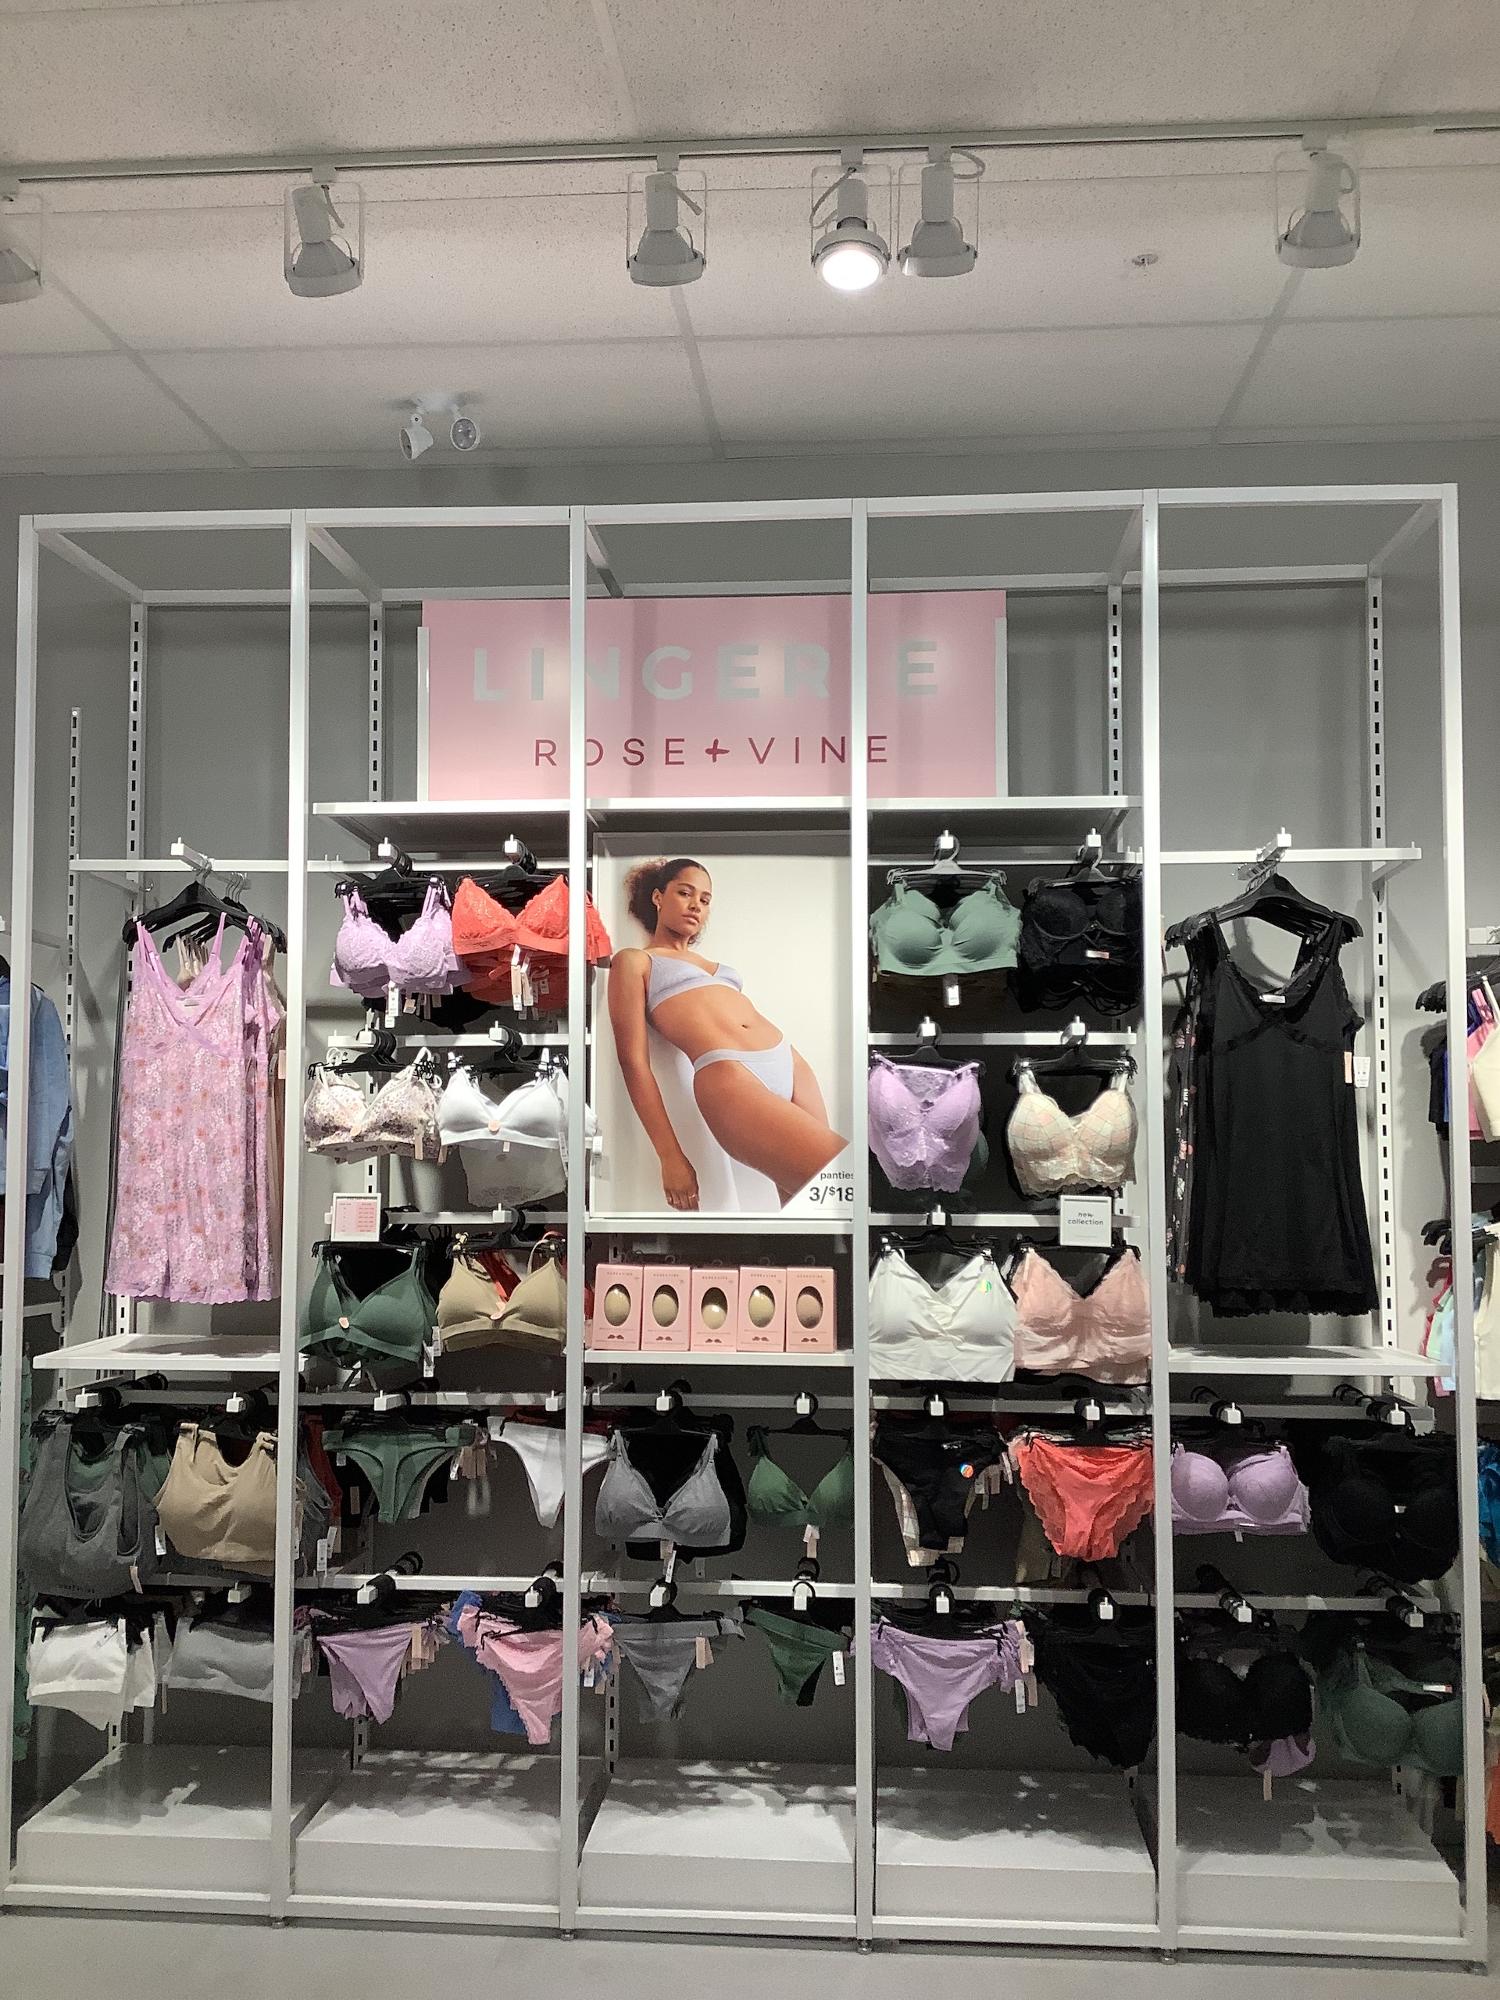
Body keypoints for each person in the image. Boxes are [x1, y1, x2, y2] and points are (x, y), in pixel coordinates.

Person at [607, 857, 846, 1210]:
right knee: (841, 1183)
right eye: (684, 893)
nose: (695, 905)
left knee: (818, 1210)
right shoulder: (634, 961)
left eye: (704, 900)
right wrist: (670, 1156)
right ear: (658, 897)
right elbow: (633, 1062)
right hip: (729, 1074)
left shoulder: (718, 968)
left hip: (791, 1064)